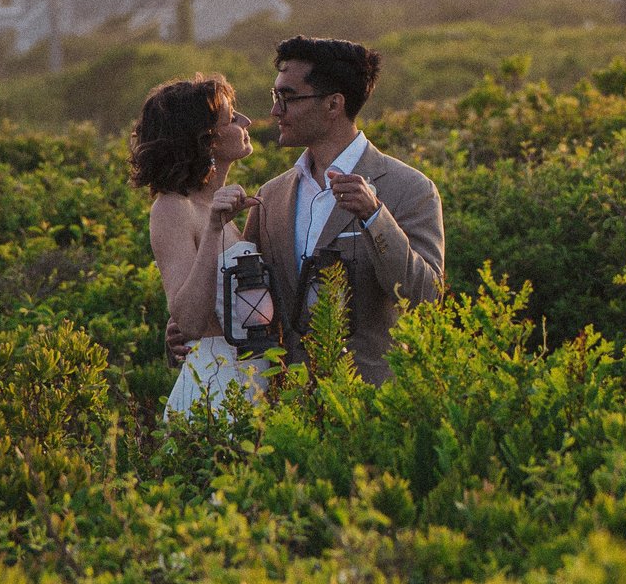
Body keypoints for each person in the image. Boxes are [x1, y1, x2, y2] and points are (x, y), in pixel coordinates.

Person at [165, 37, 444, 385]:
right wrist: (189, 331)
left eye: (288, 98)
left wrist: (375, 217)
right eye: (275, 96)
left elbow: (426, 297)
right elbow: (245, 293)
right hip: (285, 409)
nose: (274, 112)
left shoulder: (410, 189)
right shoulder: (272, 196)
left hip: (368, 405)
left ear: (333, 105)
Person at [132, 75, 269, 416]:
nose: (245, 122)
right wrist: (212, 230)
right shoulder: (173, 208)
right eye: (232, 117)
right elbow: (190, 321)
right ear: (206, 140)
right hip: (214, 385)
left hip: (255, 379)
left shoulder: (223, 211)